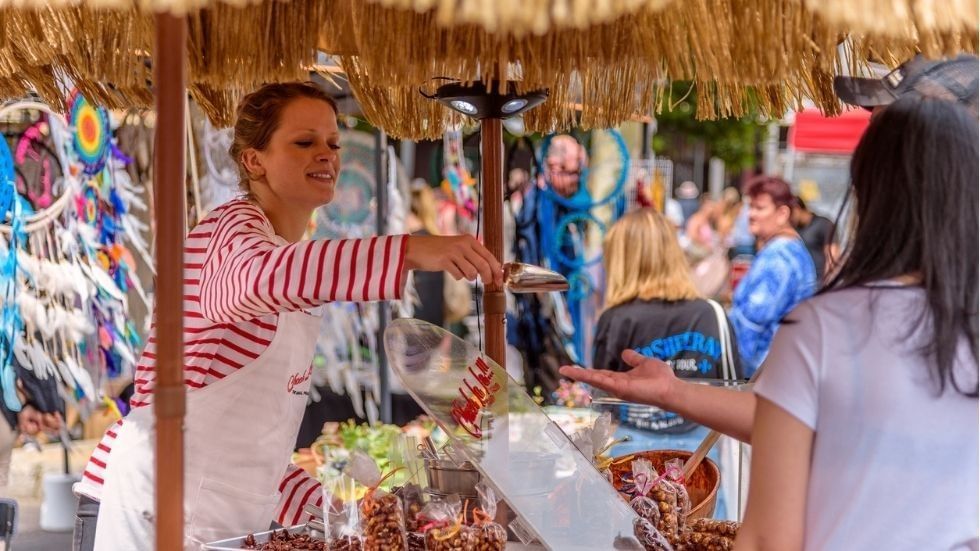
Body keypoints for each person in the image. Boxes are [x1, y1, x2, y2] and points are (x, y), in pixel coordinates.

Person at [561, 54, 979, 549]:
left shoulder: (825, 326)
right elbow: (816, 419)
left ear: (874, 182)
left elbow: (765, 538)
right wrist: (674, 393)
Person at [73, 82, 503, 551]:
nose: (327, 155)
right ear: (254, 160)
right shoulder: (230, 230)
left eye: (333, 143)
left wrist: (343, 514)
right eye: (304, 142)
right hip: (148, 507)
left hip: (217, 517)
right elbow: (255, 281)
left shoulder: (285, 257)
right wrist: (413, 249)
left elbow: (253, 450)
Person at [592, 209, 742, 432]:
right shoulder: (711, 313)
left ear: (621, 261)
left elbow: (604, 402)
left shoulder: (615, 319)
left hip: (633, 447)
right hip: (702, 447)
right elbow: (735, 391)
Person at [728, 176, 816, 375]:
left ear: (782, 213)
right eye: (750, 207)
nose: (750, 214)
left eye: (759, 208)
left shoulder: (779, 256)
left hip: (764, 374)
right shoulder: (792, 248)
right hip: (782, 370)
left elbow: (751, 325)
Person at [791, 196, 837, 280]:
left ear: (797, 208)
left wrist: (827, 281)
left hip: (819, 280)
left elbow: (832, 254)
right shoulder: (793, 229)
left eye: (790, 213)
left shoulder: (823, 224)